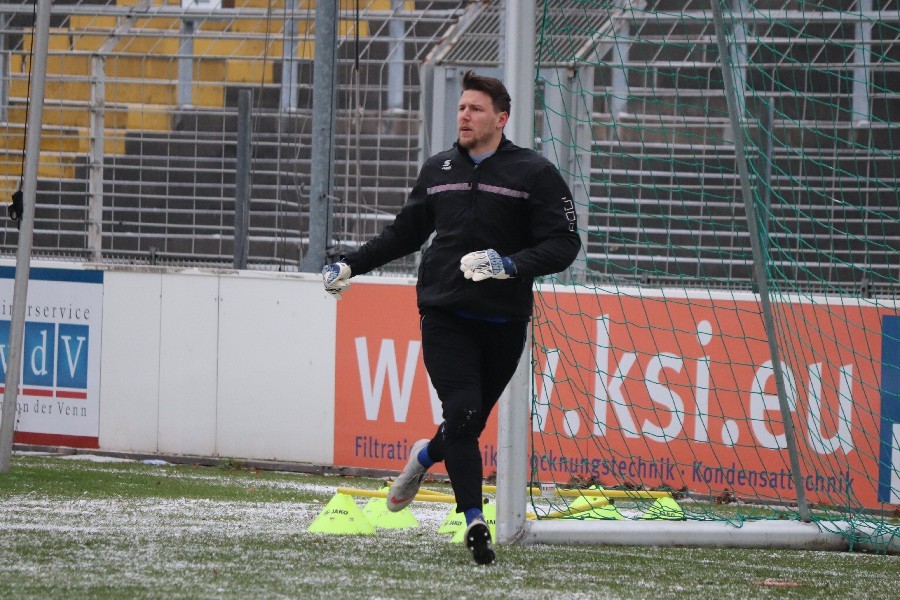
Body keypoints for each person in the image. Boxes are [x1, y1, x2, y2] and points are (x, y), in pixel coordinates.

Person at [322, 71, 581, 565]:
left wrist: (510, 266)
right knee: (463, 414)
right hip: (444, 313)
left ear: (501, 119)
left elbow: (564, 244)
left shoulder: (534, 173)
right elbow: (405, 234)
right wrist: (351, 262)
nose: (464, 115)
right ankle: (474, 523)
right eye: (462, 107)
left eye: (476, 109)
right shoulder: (439, 168)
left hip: (504, 321)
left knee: (465, 423)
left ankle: (424, 457)